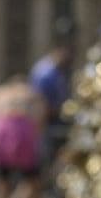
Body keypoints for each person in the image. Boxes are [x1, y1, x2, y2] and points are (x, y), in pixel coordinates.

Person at [29, 44, 72, 174]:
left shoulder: (56, 71)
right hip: (47, 121)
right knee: (46, 158)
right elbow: (40, 100)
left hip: (53, 120)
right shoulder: (45, 73)